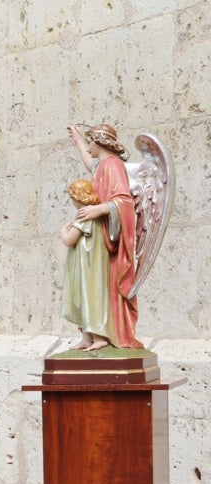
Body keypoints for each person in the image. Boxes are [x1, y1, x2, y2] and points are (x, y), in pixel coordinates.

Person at [67, 123, 143, 349]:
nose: (88, 148)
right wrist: (78, 140)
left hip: (103, 236)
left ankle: (103, 334)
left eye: (90, 143)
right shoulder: (102, 166)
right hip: (93, 235)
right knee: (85, 284)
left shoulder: (114, 165)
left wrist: (97, 210)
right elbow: (89, 163)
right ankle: (89, 333)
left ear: (100, 143)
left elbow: (124, 201)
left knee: (97, 286)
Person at [60, 179, 113, 351]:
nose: (72, 201)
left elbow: (69, 240)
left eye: (72, 197)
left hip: (87, 265)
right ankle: (86, 338)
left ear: (79, 197)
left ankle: (98, 337)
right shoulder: (94, 216)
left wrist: (64, 231)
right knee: (84, 299)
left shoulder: (85, 215)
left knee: (88, 298)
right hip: (86, 263)